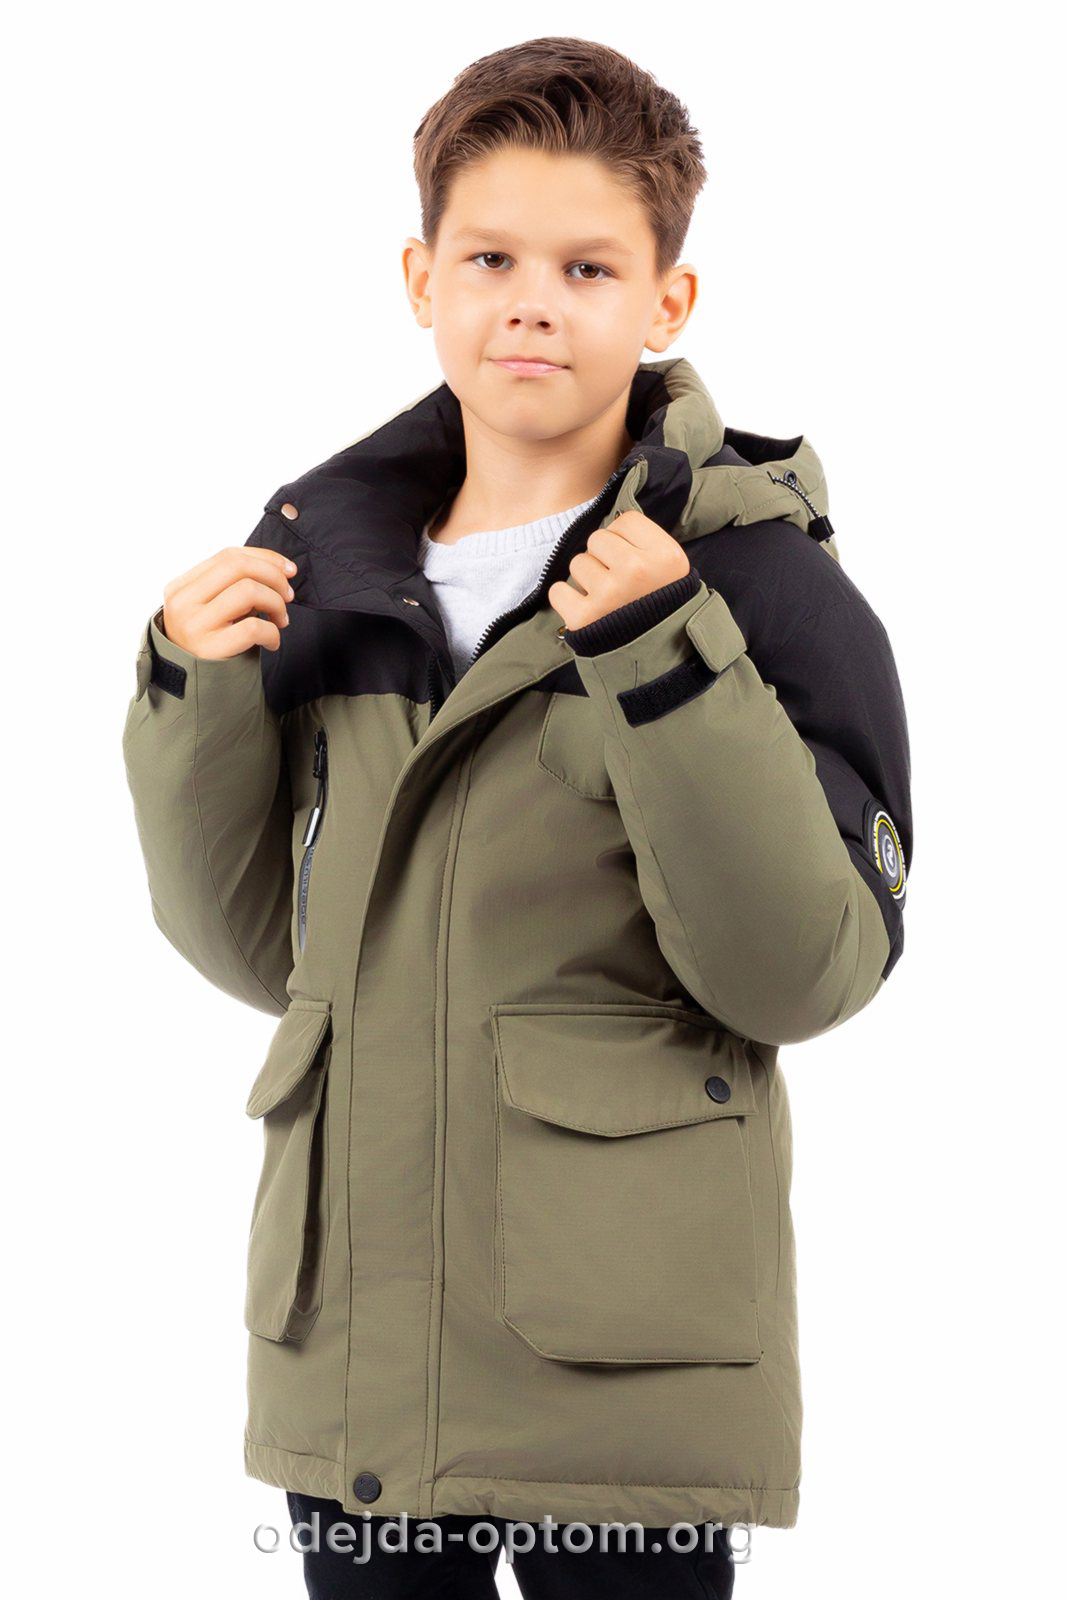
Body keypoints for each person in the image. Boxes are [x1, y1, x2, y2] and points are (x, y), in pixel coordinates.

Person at [122, 35, 912, 1599]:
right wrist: (190, 697)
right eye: (490, 258)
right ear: (421, 279)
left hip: (626, 1377)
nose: (532, 301)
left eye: (587, 266)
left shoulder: (754, 584)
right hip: (360, 1365)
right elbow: (268, 956)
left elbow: (801, 974)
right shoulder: (324, 573)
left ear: (667, 302)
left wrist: (668, 661)